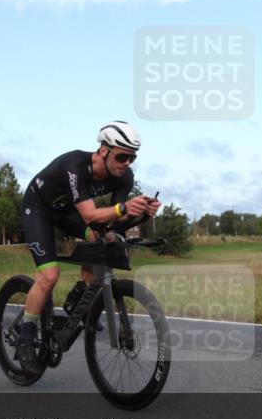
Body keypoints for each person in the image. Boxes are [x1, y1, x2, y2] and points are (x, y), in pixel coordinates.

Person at [16, 121, 161, 373]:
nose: (127, 163)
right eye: (122, 156)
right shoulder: (75, 167)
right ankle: (25, 339)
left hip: (67, 212)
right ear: (104, 150)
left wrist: (142, 213)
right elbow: (93, 215)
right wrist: (124, 208)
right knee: (49, 276)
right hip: (39, 209)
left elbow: (115, 219)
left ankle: (77, 298)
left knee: (101, 239)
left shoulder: (124, 176)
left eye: (132, 158)